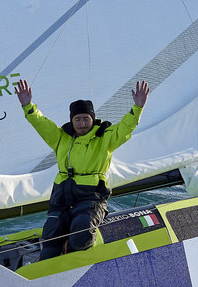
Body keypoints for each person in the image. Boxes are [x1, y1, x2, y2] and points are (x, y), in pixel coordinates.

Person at [16, 78, 149, 259]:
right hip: (62, 197)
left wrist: (137, 108)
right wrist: (28, 106)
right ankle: (47, 264)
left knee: (81, 229)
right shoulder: (60, 137)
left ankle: (77, 261)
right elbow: (41, 123)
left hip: (91, 197)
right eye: (77, 120)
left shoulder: (105, 137)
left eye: (86, 119)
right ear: (72, 121)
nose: (82, 124)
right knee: (51, 235)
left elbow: (125, 128)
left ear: (92, 119)